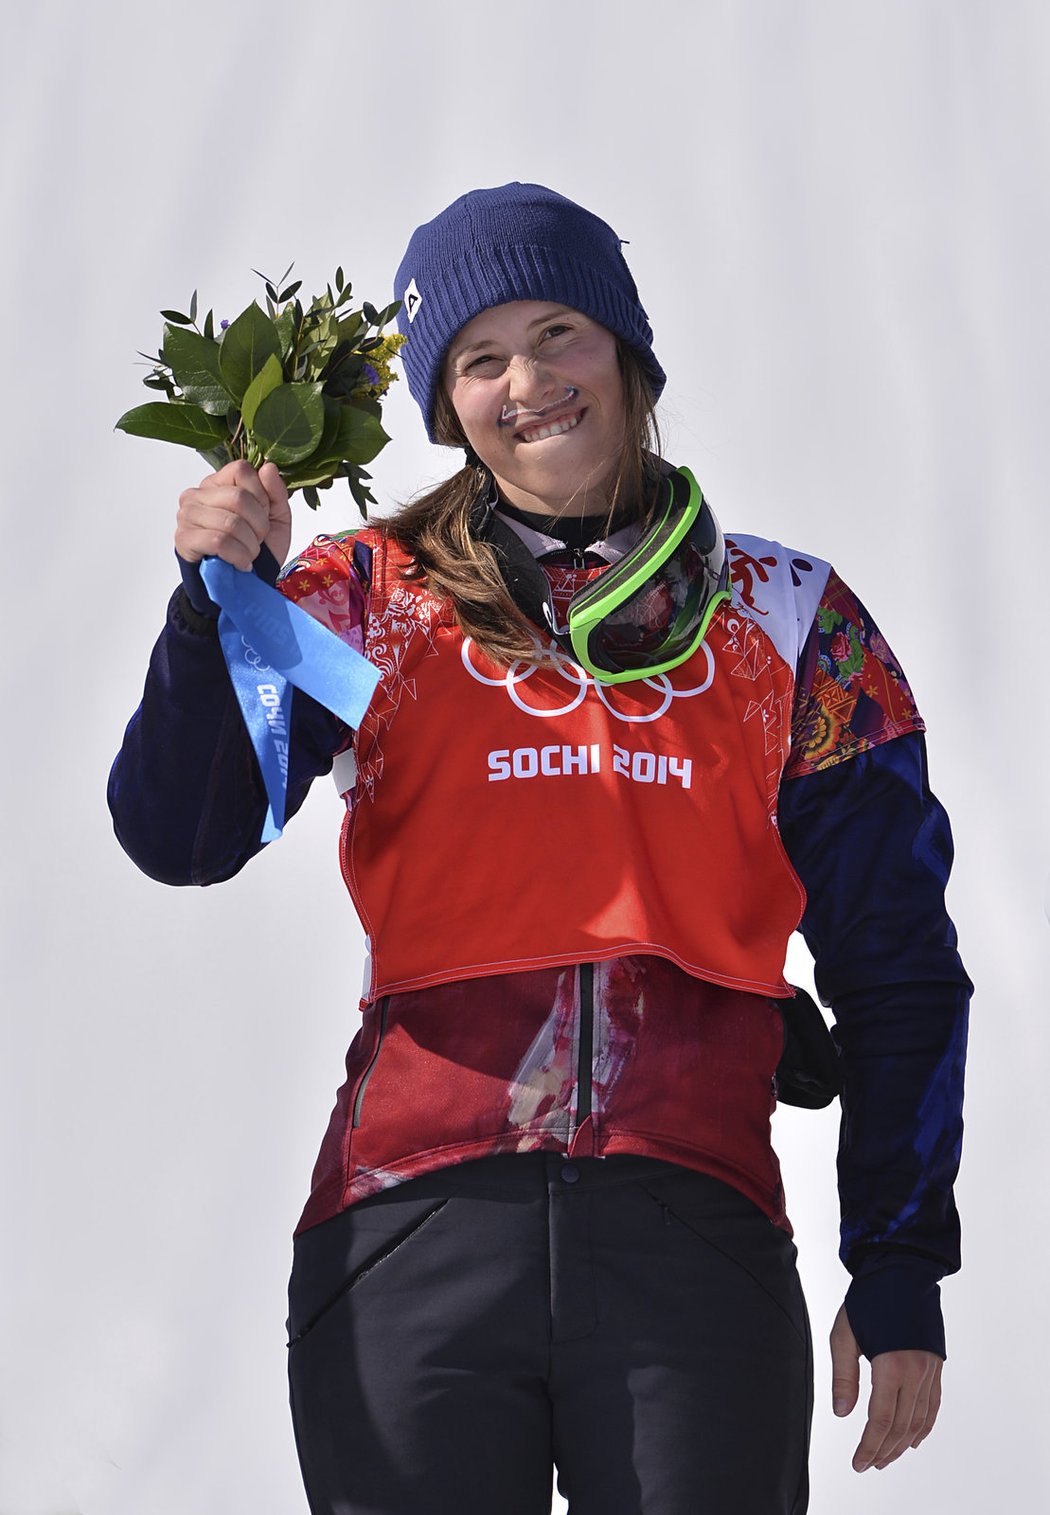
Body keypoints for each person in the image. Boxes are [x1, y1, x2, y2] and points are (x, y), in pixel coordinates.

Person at [108, 183, 971, 1515]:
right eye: (479, 357)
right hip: (409, 1236)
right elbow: (183, 828)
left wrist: (898, 1259)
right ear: (446, 405)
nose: (529, 381)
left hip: (693, 1235)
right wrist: (215, 605)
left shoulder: (792, 619)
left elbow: (898, 964)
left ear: (627, 352)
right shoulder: (360, 595)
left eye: (559, 331)